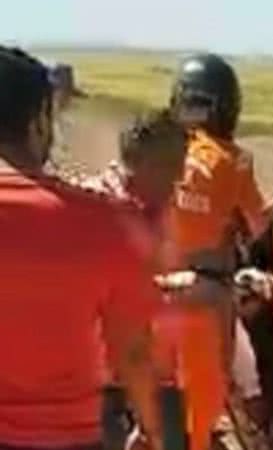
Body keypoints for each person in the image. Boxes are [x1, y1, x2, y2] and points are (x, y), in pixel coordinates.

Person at [0, 46, 163, 450]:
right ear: (39, 122)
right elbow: (135, 354)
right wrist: (151, 429)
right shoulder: (108, 224)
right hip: (68, 439)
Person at [165, 52, 271, 449]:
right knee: (240, 383)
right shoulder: (235, 162)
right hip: (206, 296)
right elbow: (260, 227)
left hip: (145, 291)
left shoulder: (152, 152)